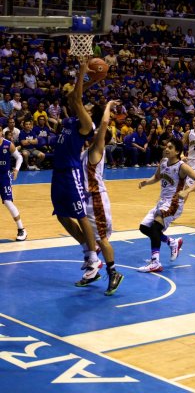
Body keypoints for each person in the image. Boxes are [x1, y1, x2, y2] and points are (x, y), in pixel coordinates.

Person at [51, 58, 103, 283]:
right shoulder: (74, 120)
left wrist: (82, 73)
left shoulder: (87, 125)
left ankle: (93, 259)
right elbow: (74, 98)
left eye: (89, 107)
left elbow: (78, 99)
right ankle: (88, 249)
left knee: (80, 216)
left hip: (71, 173)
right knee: (62, 216)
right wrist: (88, 79)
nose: (86, 105)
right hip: (58, 173)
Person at [76, 99, 124, 295]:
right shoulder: (86, 151)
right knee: (90, 239)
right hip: (86, 199)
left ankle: (113, 272)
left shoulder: (97, 148)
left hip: (96, 199)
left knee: (102, 239)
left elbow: (103, 124)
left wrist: (108, 105)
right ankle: (92, 268)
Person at [137, 138, 195, 273]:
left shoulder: (182, 166)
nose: (166, 149)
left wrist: (187, 191)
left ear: (177, 151)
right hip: (162, 201)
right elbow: (156, 177)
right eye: (166, 146)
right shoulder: (162, 162)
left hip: (173, 203)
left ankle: (155, 262)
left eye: (170, 147)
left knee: (155, 228)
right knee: (144, 228)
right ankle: (172, 242)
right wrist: (146, 182)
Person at [0, 125, 27, 241]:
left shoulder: (7, 144)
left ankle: (22, 229)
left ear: (1, 132)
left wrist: (16, 169)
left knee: (8, 202)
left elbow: (19, 157)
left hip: (4, 177)